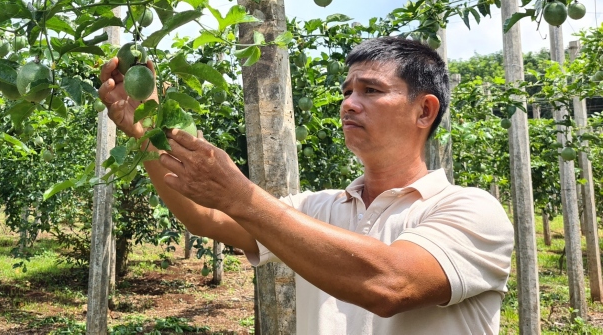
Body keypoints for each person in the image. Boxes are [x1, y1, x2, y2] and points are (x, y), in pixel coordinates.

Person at [98, 36, 513, 334]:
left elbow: (390, 284)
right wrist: (148, 131)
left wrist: (242, 195)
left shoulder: (472, 210)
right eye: (348, 90)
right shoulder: (320, 208)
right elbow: (205, 216)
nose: (349, 102)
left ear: (425, 110)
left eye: (371, 90)